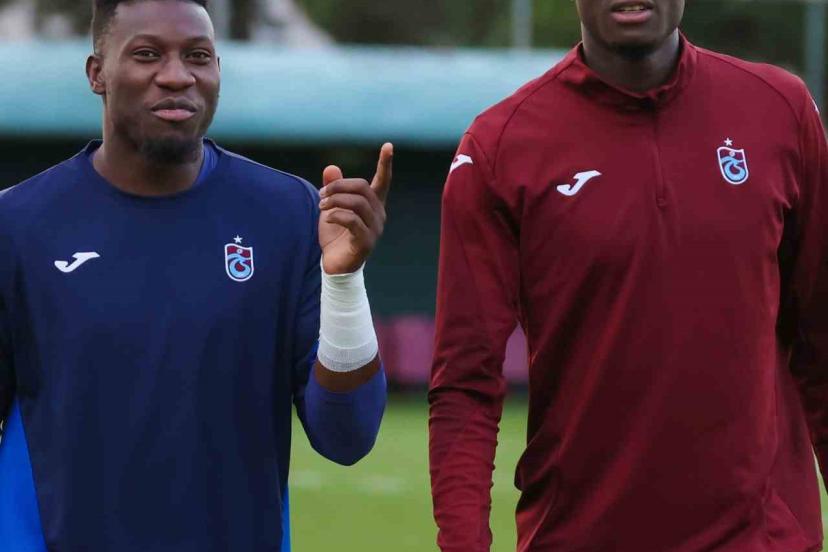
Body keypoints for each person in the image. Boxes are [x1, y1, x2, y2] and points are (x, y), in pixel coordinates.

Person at [429, 0, 828, 550]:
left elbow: (821, 343)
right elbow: (465, 384)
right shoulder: (499, 147)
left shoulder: (780, 109)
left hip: (762, 538)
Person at [0, 1, 391, 550]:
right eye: (147, 54)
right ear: (97, 73)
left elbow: (347, 437)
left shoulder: (288, 214)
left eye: (198, 56)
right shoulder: (19, 224)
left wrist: (345, 282)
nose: (176, 75)